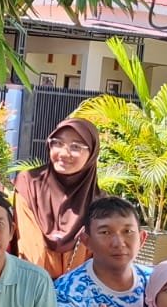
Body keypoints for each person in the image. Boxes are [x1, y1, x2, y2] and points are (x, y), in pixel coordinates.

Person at [14, 117, 101, 277]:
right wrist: (41, 287)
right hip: (30, 282)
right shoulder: (29, 184)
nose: (64, 153)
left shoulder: (99, 204)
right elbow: (29, 246)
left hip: (79, 288)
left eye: (75, 147)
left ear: (92, 154)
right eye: (58, 143)